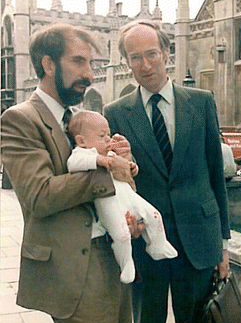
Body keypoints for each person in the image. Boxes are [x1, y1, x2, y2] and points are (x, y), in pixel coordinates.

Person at [0, 23, 143, 323]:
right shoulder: (20, 119)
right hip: (74, 271)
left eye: (92, 63)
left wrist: (124, 170)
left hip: (109, 261)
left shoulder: (79, 120)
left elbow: (102, 190)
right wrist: (106, 174)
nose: (89, 73)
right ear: (48, 63)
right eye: (78, 61)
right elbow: (39, 195)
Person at [104, 20, 230, 323]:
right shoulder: (115, 112)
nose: (145, 65)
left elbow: (215, 177)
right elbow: (116, 182)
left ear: (167, 54)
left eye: (152, 54)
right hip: (147, 248)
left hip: (198, 244)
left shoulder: (202, 102)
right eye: (135, 57)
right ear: (127, 63)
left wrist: (223, 246)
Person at [67, 110, 178, 283]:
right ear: (82, 141)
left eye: (109, 134)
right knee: (121, 234)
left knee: (154, 214)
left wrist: (131, 167)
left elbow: (125, 167)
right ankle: (126, 264)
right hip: (109, 201)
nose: (107, 139)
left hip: (127, 195)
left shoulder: (109, 153)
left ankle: (158, 244)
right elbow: (72, 164)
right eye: (101, 135)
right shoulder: (83, 153)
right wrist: (97, 160)